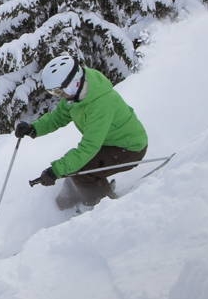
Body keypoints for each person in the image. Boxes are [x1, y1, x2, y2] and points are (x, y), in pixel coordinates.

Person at [14, 54, 148, 207]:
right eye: (54, 93)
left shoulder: (100, 104)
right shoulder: (76, 95)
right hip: (108, 142)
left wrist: (55, 171)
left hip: (129, 148)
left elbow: (89, 147)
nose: (59, 96)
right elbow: (58, 117)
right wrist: (34, 129)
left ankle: (102, 207)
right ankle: (63, 206)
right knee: (74, 171)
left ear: (74, 81)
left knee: (81, 172)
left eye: (58, 91)